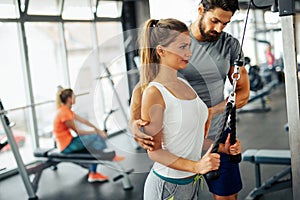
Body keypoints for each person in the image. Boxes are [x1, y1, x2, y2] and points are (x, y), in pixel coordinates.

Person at [130, 1, 250, 200]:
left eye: (225, 23)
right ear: (201, 10)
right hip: (179, 141)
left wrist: (211, 112)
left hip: (215, 137)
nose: (219, 28)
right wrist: (134, 122)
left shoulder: (229, 44)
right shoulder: (177, 39)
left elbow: (243, 92)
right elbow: (145, 86)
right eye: (215, 21)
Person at [53, 88, 124, 183]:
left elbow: (84, 121)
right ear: (69, 99)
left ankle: (94, 170)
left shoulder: (66, 110)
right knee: (95, 138)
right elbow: (78, 131)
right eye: (74, 96)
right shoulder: (64, 113)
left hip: (69, 141)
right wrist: (96, 133)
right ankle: (103, 162)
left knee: (94, 143)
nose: (75, 98)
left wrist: (98, 130)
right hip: (66, 146)